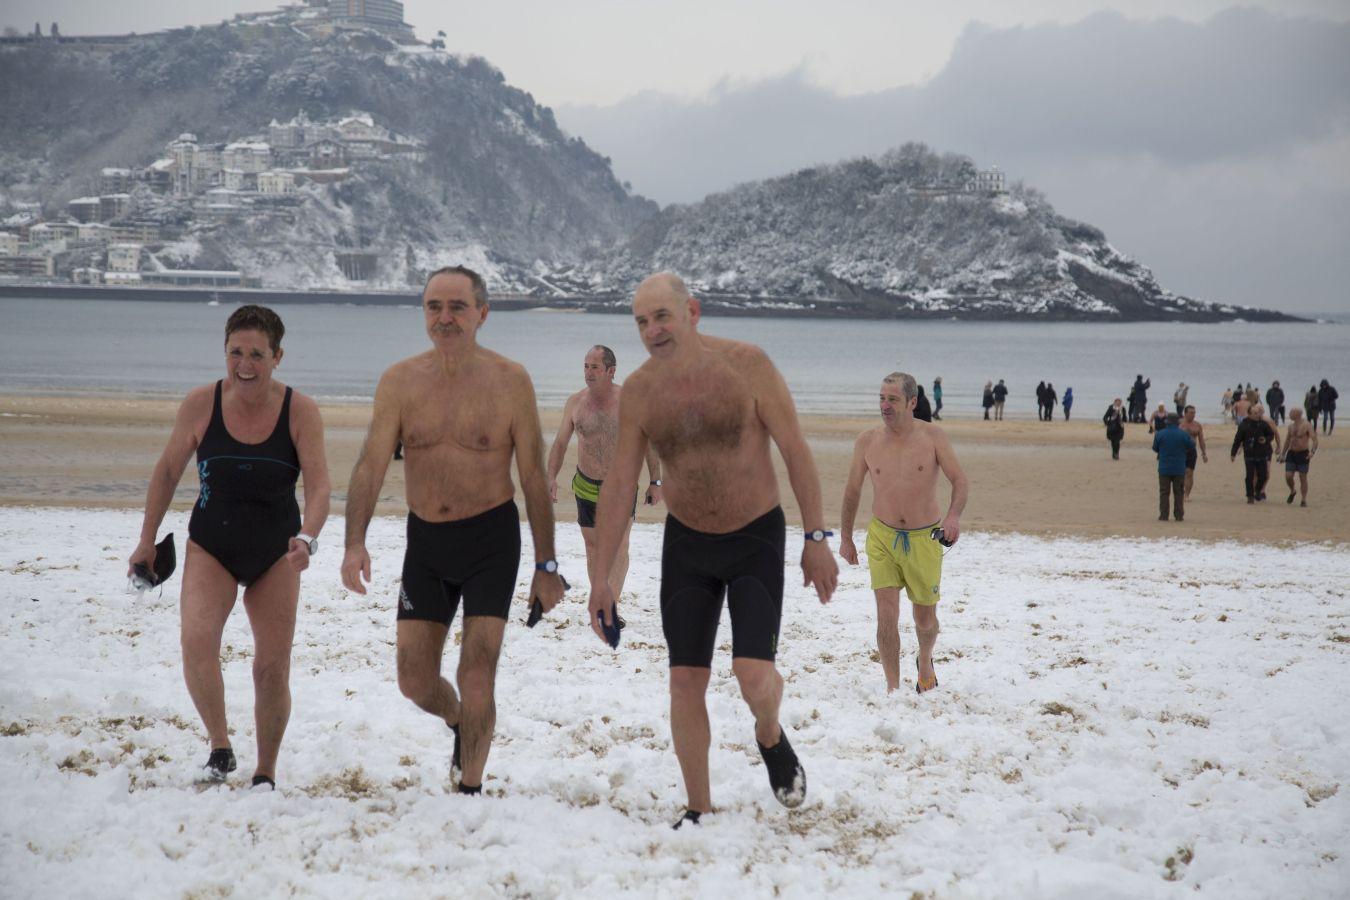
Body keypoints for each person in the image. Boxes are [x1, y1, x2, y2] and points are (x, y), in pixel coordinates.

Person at [585, 273, 839, 827]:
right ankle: (698, 807)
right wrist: (600, 577)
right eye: (641, 322)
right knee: (684, 680)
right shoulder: (644, 392)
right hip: (688, 544)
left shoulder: (748, 366)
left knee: (753, 675)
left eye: (662, 317)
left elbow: (795, 449)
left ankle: (769, 733)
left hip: (754, 537)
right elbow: (620, 483)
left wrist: (816, 538)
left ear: (693, 312)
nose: (652, 331)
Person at [340, 266, 566, 796]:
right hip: (427, 544)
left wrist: (546, 565)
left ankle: (469, 788)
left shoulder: (511, 381)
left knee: (477, 672)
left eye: (457, 307)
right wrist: (355, 542)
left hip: (491, 540)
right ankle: (459, 721)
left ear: (482, 314)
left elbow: (533, 476)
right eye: (434, 307)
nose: (444, 318)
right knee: (414, 681)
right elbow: (370, 465)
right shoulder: (400, 381)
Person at [129, 305, 331, 789]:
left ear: (277, 356)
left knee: (271, 665)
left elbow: (321, 487)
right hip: (211, 545)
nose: (245, 364)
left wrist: (308, 538)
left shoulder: (300, 411)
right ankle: (220, 747)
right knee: (197, 642)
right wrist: (145, 540)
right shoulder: (201, 404)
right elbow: (167, 472)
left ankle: (265, 770)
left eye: (256, 355)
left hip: (275, 554)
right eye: (235, 352)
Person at [840, 373, 968, 695]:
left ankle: (925, 660)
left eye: (892, 399)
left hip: (924, 538)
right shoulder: (867, 442)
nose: (885, 405)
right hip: (882, 537)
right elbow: (852, 491)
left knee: (925, 620)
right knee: (886, 615)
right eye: (882, 398)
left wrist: (953, 516)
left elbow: (960, 481)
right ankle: (893, 689)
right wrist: (845, 537)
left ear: (912, 402)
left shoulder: (933, 437)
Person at [547, 344, 662, 605]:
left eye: (595, 367)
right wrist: (551, 477)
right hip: (586, 485)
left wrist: (655, 481)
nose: (588, 372)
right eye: (586, 366)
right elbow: (561, 443)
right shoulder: (575, 402)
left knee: (619, 546)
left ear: (611, 371)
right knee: (593, 547)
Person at [1230, 404, 1280, 504]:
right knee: (1250, 475)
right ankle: (1250, 496)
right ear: (1249, 414)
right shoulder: (1244, 425)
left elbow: (1271, 435)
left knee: (1263, 475)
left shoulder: (1263, 424)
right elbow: (1238, 439)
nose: (1258, 415)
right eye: (1255, 413)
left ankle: (1257, 491)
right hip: (1249, 454)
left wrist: (1265, 439)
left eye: (1258, 413)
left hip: (1262, 454)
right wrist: (1233, 453)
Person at [1152, 412, 1194, 521]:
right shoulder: (1183, 434)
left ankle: (1164, 515)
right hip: (1179, 468)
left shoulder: (1160, 434)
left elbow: (1155, 448)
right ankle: (1179, 515)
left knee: (1164, 493)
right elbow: (1191, 446)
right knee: (1179, 493)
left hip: (1164, 468)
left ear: (1167, 422)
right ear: (1177, 423)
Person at [1278, 407, 1318, 507]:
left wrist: (1312, 452)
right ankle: (1292, 491)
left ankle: (1303, 499)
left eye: (1291, 412)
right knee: (1288, 476)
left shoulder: (1306, 425)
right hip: (1291, 453)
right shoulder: (1290, 426)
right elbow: (1287, 440)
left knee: (1302, 477)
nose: (1290, 414)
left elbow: (1315, 440)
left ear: (1297, 414)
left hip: (1303, 454)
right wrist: (1283, 454)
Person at [1179, 405, 1208, 500]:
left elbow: (1201, 440)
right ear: (1185, 413)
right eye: (1191, 413)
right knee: (1181, 473)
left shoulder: (1197, 425)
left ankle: (1186, 495)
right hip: (1180, 451)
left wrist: (1204, 453)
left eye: (1194, 413)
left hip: (1192, 451)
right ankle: (1181, 491)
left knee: (1189, 472)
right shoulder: (1179, 424)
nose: (1193, 415)